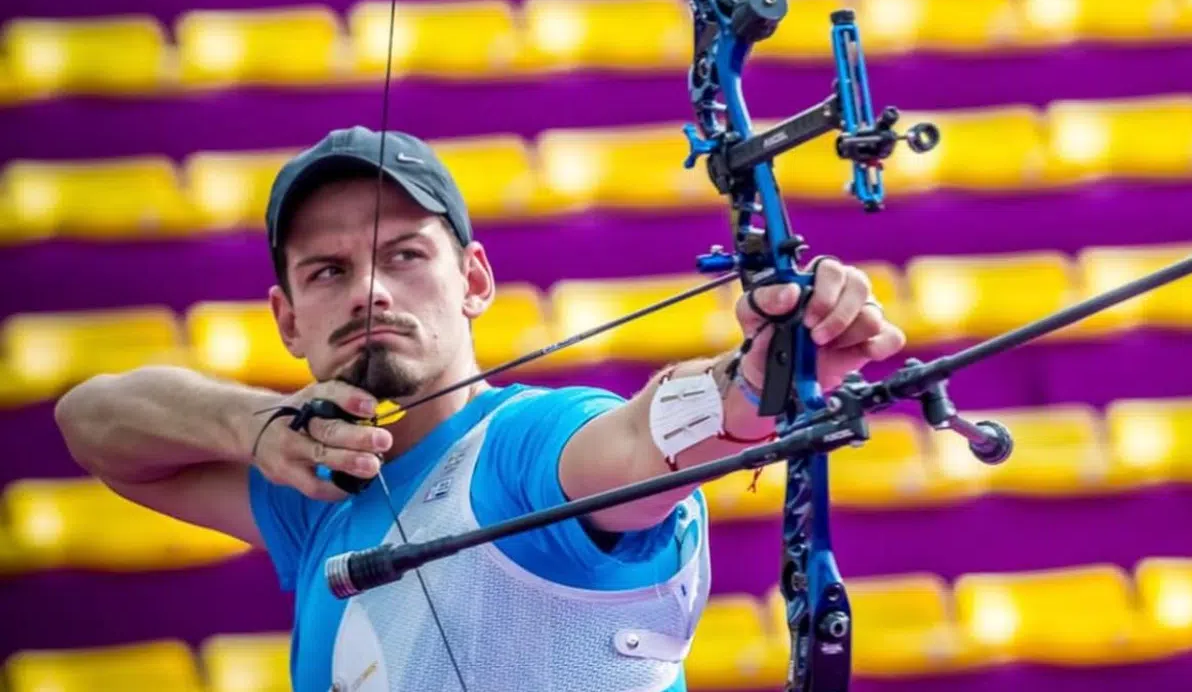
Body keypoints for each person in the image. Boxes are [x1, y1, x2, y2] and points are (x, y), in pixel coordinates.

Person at [54, 126, 905, 692]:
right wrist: (255, 428)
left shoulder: (525, 448)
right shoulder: (315, 493)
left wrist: (758, 378)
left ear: (474, 280)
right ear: (288, 319)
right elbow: (91, 422)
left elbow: (646, 438)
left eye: (405, 255)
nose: (371, 290)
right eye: (329, 271)